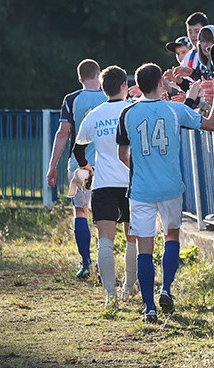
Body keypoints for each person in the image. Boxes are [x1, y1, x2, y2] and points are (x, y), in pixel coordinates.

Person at [117, 63, 214, 323]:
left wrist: (141, 168)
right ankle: (166, 289)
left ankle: (149, 308)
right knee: (171, 237)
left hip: (141, 189)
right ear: (160, 83)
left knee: (144, 248)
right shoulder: (175, 109)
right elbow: (212, 124)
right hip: (170, 187)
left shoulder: (128, 112)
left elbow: (122, 153)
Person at [72, 66, 137, 306]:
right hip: (132, 182)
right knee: (133, 238)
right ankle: (129, 288)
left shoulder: (94, 115)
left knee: (105, 241)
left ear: (102, 88)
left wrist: (87, 167)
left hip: (103, 184)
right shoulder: (132, 109)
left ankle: (110, 295)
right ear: (124, 86)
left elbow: (78, 148)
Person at [46, 59, 107, 279]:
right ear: (99, 75)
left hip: (80, 166)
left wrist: (52, 166)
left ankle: (85, 263)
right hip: (106, 166)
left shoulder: (71, 99)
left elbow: (63, 133)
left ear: (79, 78)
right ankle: (103, 264)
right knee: (104, 217)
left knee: (80, 211)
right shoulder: (109, 96)